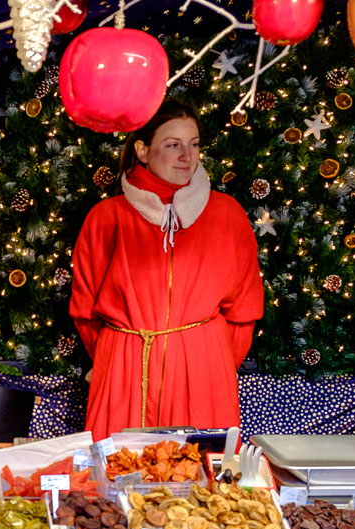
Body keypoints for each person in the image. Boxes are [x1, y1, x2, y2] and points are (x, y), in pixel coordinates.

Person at [70, 100, 263, 439]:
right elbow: (85, 311)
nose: (187, 156)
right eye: (173, 145)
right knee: (116, 477)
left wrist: (208, 360)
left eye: (194, 144)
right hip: (124, 368)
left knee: (204, 480)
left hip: (203, 370)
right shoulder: (106, 217)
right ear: (142, 151)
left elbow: (244, 311)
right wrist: (115, 360)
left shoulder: (227, 214)